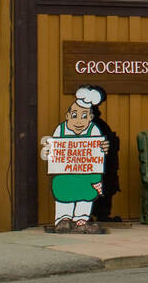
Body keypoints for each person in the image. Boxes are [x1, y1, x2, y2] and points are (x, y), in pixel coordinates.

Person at [40, 85, 110, 232]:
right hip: (66, 175)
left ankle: (81, 220)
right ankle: (63, 219)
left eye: (84, 116)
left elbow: (98, 149)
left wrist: (103, 148)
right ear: (68, 116)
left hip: (86, 175)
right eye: (74, 115)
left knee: (85, 196)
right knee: (64, 193)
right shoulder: (61, 129)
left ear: (90, 118)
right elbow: (55, 149)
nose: (78, 121)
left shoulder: (94, 130)